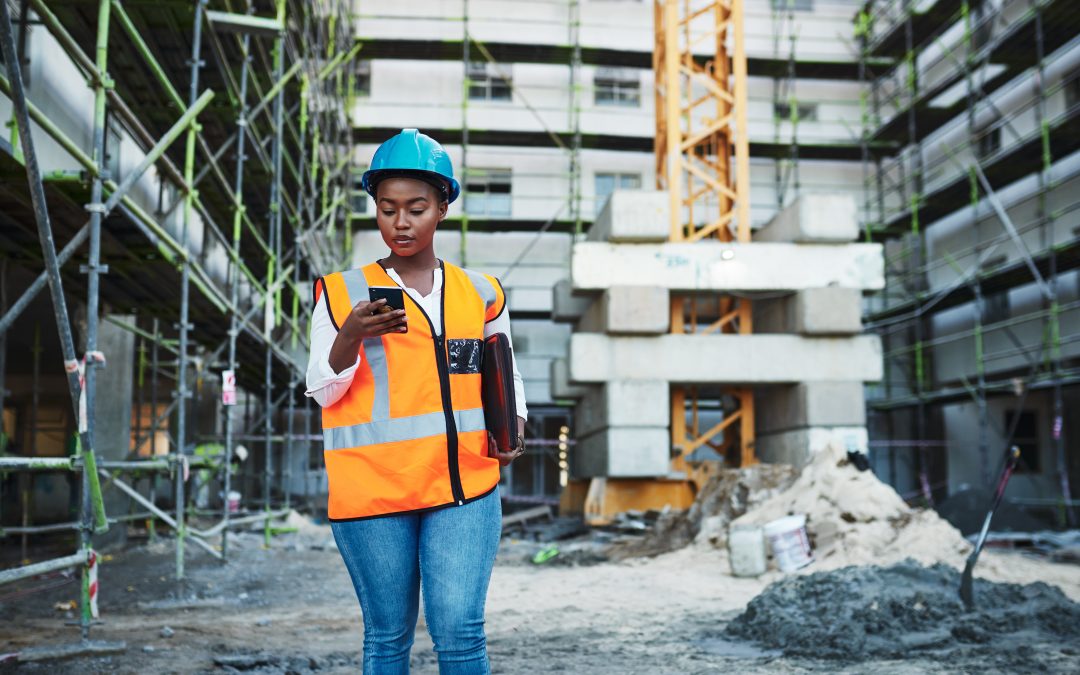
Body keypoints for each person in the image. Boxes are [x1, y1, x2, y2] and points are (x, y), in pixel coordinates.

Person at [305, 129, 528, 675]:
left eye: (416, 208)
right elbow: (321, 387)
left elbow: (506, 373)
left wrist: (513, 424)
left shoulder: (482, 293)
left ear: (443, 207)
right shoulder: (341, 293)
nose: (400, 223)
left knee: (460, 631)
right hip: (374, 493)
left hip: (464, 488)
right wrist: (351, 335)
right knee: (387, 638)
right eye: (387, 210)